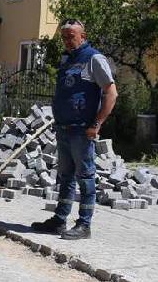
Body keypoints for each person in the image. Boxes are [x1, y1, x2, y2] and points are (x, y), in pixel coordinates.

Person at [31, 20, 118, 240]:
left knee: (86, 177)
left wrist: (96, 125)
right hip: (64, 128)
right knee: (66, 177)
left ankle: (84, 225)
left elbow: (111, 93)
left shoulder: (94, 59)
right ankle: (60, 220)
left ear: (83, 35)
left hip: (82, 131)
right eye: (64, 37)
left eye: (72, 36)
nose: (68, 41)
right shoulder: (67, 59)